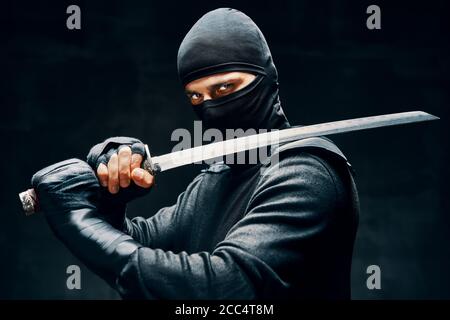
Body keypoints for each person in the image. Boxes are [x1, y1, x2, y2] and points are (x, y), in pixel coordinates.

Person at [31, 8, 359, 299]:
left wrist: (81, 222)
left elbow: (225, 287)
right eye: (196, 98)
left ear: (266, 78)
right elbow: (139, 244)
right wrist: (108, 206)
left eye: (225, 89)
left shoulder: (307, 174)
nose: (211, 108)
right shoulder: (220, 176)